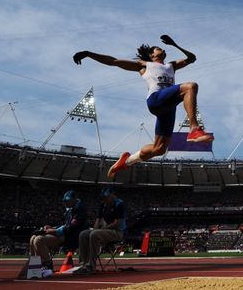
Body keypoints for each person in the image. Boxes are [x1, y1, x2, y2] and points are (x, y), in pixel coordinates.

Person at [73, 35, 212, 179]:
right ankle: (194, 129)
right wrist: (88, 54)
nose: (163, 48)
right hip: (156, 100)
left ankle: (127, 160)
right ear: (152, 55)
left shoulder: (171, 65)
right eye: (159, 48)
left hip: (169, 108)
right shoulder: (144, 65)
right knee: (190, 86)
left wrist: (175, 44)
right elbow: (113, 61)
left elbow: (192, 58)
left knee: (159, 149)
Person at [28, 190, 88, 271]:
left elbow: (71, 228)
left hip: (70, 237)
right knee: (33, 238)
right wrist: (53, 228)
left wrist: (53, 231)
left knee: (39, 240)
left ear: (74, 199)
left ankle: (47, 265)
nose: (65, 203)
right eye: (64, 201)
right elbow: (65, 225)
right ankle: (35, 267)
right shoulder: (70, 209)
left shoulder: (79, 209)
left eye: (67, 201)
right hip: (65, 233)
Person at [76, 187, 126, 274]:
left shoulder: (119, 204)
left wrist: (100, 230)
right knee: (83, 234)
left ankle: (91, 266)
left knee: (95, 234)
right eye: (103, 197)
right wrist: (94, 229)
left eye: (106, 197)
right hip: (105, 231)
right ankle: (84, 264)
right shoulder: (103, 205)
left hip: (117, 232)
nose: (104, 199)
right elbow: (97, 220)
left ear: (113, 195)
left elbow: (116, 223)